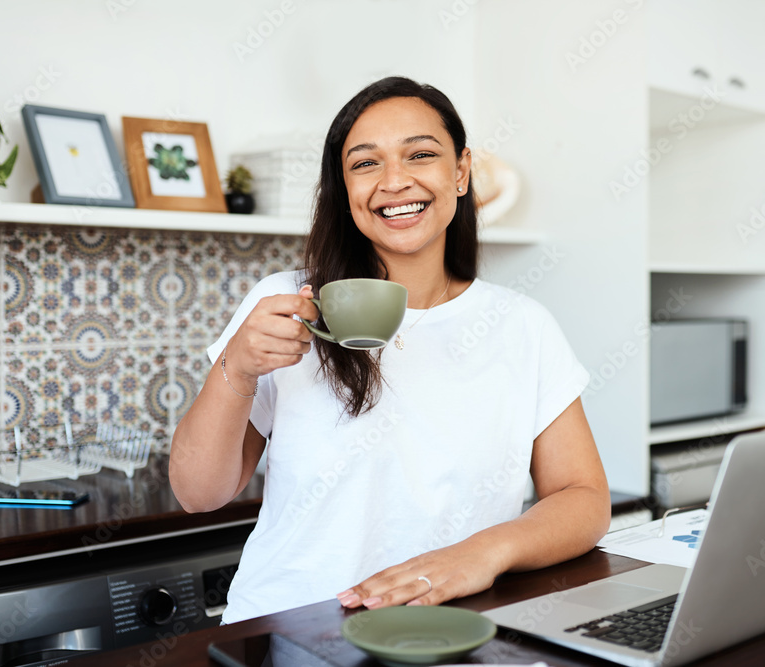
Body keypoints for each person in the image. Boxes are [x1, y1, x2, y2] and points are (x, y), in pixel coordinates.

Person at [169, 76, 610, 624]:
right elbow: (198, 494)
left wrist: (480, 554)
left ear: (461, 172)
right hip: (289, 628)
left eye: (420, 155)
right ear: (344, 187)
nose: (394, 182)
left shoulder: (522, 325)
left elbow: (583, 496)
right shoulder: (286, 304)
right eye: (365, 163)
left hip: (451, 629)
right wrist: (235, 365)